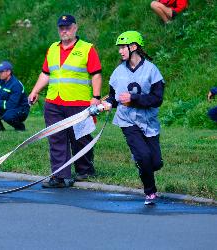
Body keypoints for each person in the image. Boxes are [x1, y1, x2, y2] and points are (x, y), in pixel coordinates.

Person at [28, 14, 103, 188]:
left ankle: (85, 169)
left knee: (80, 137)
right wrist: (35, 91)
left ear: (75, 28)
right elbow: (46, 73)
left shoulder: (87, 48)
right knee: (56, 138)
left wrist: (96, 97)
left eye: (68, 27)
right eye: (61, 28)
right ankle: (61, 176)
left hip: (78, 101)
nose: (64, 30)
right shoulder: (53, 48)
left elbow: (96, 74)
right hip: (54, 101)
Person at [102, 31, 165, 205]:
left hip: (149, 121)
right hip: (127, 120)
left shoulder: (151, 70)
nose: (120, 51)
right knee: (144, 157)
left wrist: (134, 98)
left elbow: (157, 99)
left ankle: (141, 162)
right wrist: (107, 104)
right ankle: (150, 192)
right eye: (119, 48)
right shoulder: (117, 72)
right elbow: (114, 97)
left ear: (134, 47)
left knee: (155, 162)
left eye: (123, 47)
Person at [0, 61, 29, 131]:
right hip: (6, 105)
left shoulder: (16, 85)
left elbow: (12, 105)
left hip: (20, 109)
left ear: (9, 72)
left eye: (1, 71)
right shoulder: (1, 81)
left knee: (8, 116)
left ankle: (20, 127)